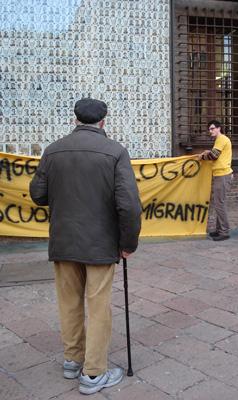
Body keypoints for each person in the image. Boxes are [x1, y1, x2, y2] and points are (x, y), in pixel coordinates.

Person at [30, 98, 142, 395]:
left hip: (64, 240)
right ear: (103, 122)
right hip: (101, 243)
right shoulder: (116, 152)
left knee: (68, 304)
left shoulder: (53, 150)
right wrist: (128, 243)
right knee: (98, 306)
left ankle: (72, 360)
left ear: (75, 119)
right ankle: (93, 373)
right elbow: (129, 205)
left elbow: (38, 195)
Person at [198, 120, 233, 241]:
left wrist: (202, 156)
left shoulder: (222, 139)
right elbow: (215, 153)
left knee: (219, 204)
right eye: (209, 129)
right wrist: (208, 152)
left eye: (212, 128)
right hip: (220, 175)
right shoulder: (220, 140)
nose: (210, 131)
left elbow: (214, 156)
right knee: (219, 203)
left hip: (223, 175)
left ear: (219, 128)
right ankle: (219, 230)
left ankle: (224, 232)